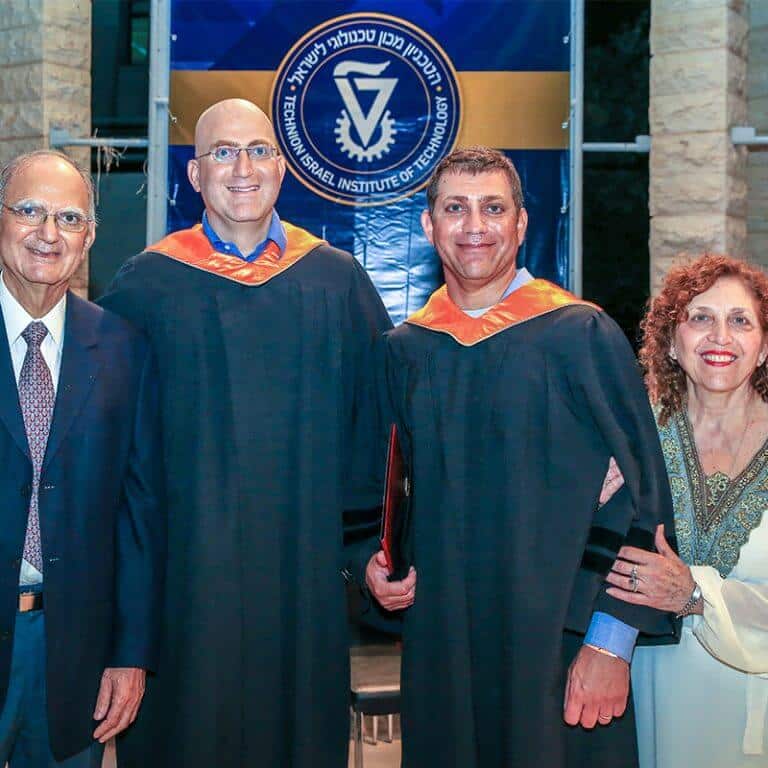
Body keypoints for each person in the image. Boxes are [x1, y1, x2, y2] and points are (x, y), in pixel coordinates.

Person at [98, 99, 392, 768]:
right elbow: (107, 452)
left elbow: (379, 435)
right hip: (185, 595)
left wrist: (368, 552)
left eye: (258, 150)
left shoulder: (336, 282)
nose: (242, 168)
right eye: (223, 153)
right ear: (195, 175)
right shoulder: (146, 286)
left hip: (304, 592)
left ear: (282, 170)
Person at [366, 147, 678, 767]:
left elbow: (642, 498)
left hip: (559, 651)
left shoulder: (579, 335)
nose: (474, 226)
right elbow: (379, 490)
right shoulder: (404, 352)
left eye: (493, 208)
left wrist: (611, 643)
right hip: (445, 649)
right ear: (429, 226)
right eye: (455, 208)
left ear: (521, 223)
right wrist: (372, 564)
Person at [0, 150, 163, 767]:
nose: (48, 233)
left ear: (90, 236)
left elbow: (138, 514)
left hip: (75, 655)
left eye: (69, 219)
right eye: (29, 211)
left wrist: (131, 651)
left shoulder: (125, 350)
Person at [605, 254, 768, 767]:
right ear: (672, 344)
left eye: (740, 321)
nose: (720, 336)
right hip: (648, 703)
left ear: (764, 348)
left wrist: (698, 594)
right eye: (700, 318)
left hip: (751, 716)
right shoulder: (631, 443)